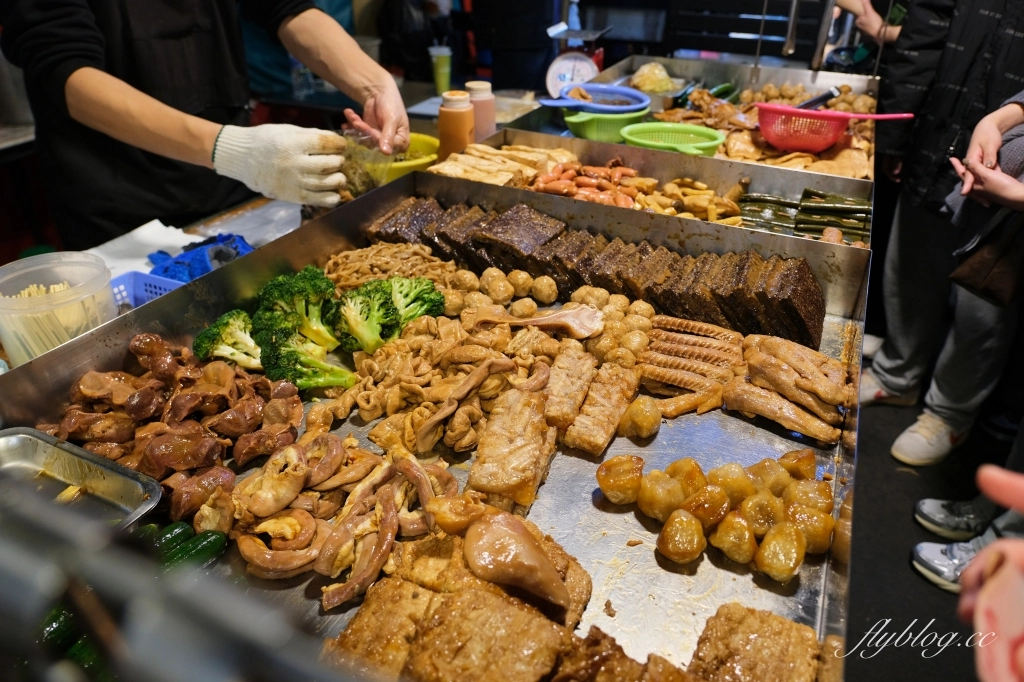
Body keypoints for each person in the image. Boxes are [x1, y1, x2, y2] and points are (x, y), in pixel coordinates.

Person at [0, 1, 410, 250]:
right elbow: (63, 69)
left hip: (233, 190)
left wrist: (375, 85)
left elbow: (287, 6)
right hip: (119, 201)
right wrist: (229, 149)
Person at [861, 0, 1024, 466]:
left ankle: (949, 412)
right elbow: (922, 34)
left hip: (1014, 156)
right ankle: (898, 374)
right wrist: (895, 133)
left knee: (983, 294)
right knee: (911, 260)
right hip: (937, 125)